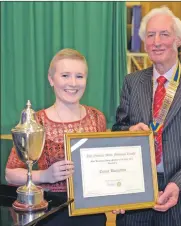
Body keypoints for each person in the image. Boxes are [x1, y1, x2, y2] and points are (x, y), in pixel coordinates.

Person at [112, 7, 181, 226]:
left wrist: (177, 185)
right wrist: (128, 133)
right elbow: (118, 130)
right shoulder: (131, 82)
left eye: (164, 34)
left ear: (179, 39)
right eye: (150, 35)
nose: (157, 41)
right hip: (137, 195)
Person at [5, 48, 107, 226]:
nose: (73, 83)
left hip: (91, 210)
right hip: (51, 213)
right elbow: (10, 174)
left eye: (79, 76)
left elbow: (104, 166)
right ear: (51, 79)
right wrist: (45, 175)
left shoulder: (97, 117)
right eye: (65, 75)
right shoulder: (37, 121)